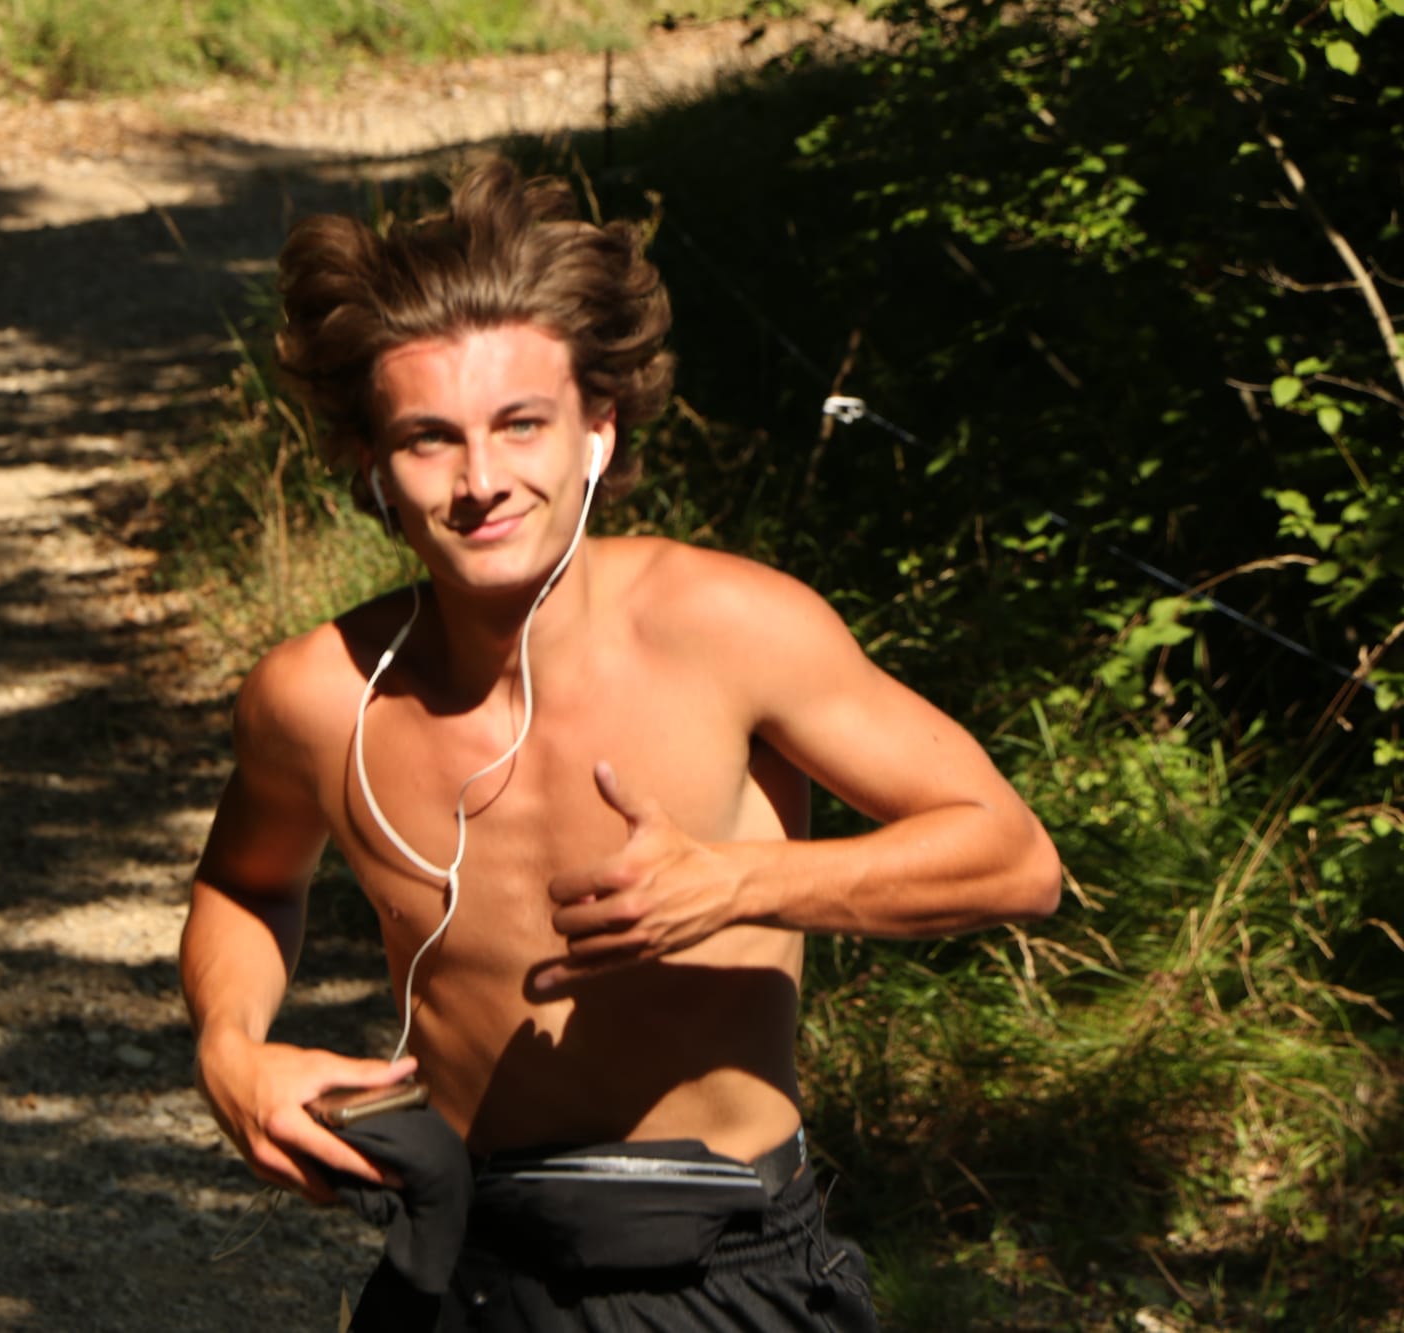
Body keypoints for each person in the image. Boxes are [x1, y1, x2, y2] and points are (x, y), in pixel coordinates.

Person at [179, 157, 1062, 1332]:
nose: (481, 480)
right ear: (370, 467)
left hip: (724, 1271)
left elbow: (1014, 858)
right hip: (463, 1268)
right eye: (429, 439)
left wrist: (738, 884)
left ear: (596, 430)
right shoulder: (314, 696)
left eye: (520, 424)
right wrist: (229, 1047)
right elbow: (244, 881)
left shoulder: (729, 627)